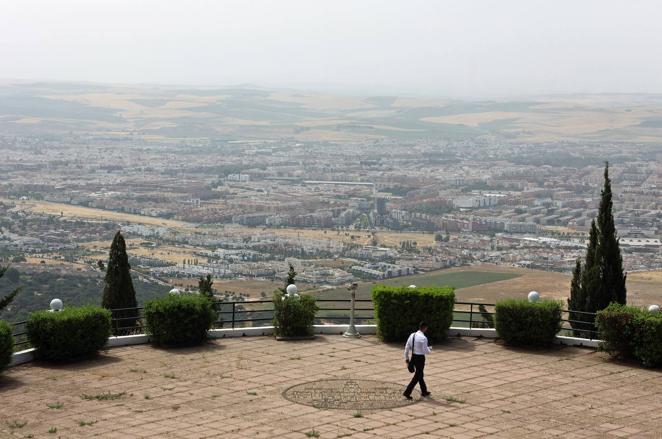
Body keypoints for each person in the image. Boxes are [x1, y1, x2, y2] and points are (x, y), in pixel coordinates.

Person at [403, 321, 432, 400]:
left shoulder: (412, 335)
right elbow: (426, 351)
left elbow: (407, 347)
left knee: (420, 374)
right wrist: (430, 349)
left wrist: (406, 359)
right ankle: (407, 392)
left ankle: (424, 391)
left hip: (413, 357)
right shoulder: (423, 338)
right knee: (417, 376)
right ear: (425, 328)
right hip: (420, 359)